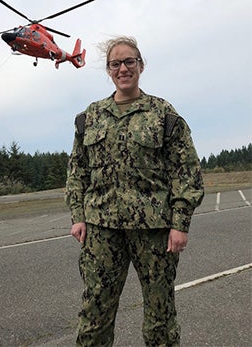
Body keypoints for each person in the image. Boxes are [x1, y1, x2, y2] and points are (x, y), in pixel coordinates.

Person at [65, 36, 204, 347]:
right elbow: (78, 171)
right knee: (95, 313)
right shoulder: (91, 116)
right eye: (116, 63)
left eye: (129, 62)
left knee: (159, 314)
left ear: (141, 66)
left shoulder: (162, 113)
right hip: (102, 230)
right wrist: (78, 216)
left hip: (153, 230)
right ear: (108, 70)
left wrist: (180, 222)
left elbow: (186, 170)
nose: (123, 68)